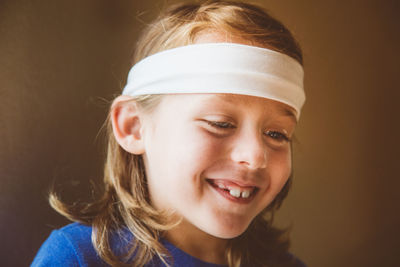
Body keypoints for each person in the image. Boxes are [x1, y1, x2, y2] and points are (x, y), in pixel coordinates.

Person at [31, 1, 307, 266]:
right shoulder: (78, 258)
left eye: (277, 134)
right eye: (220, 123)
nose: (255, 156)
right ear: (134, 127)